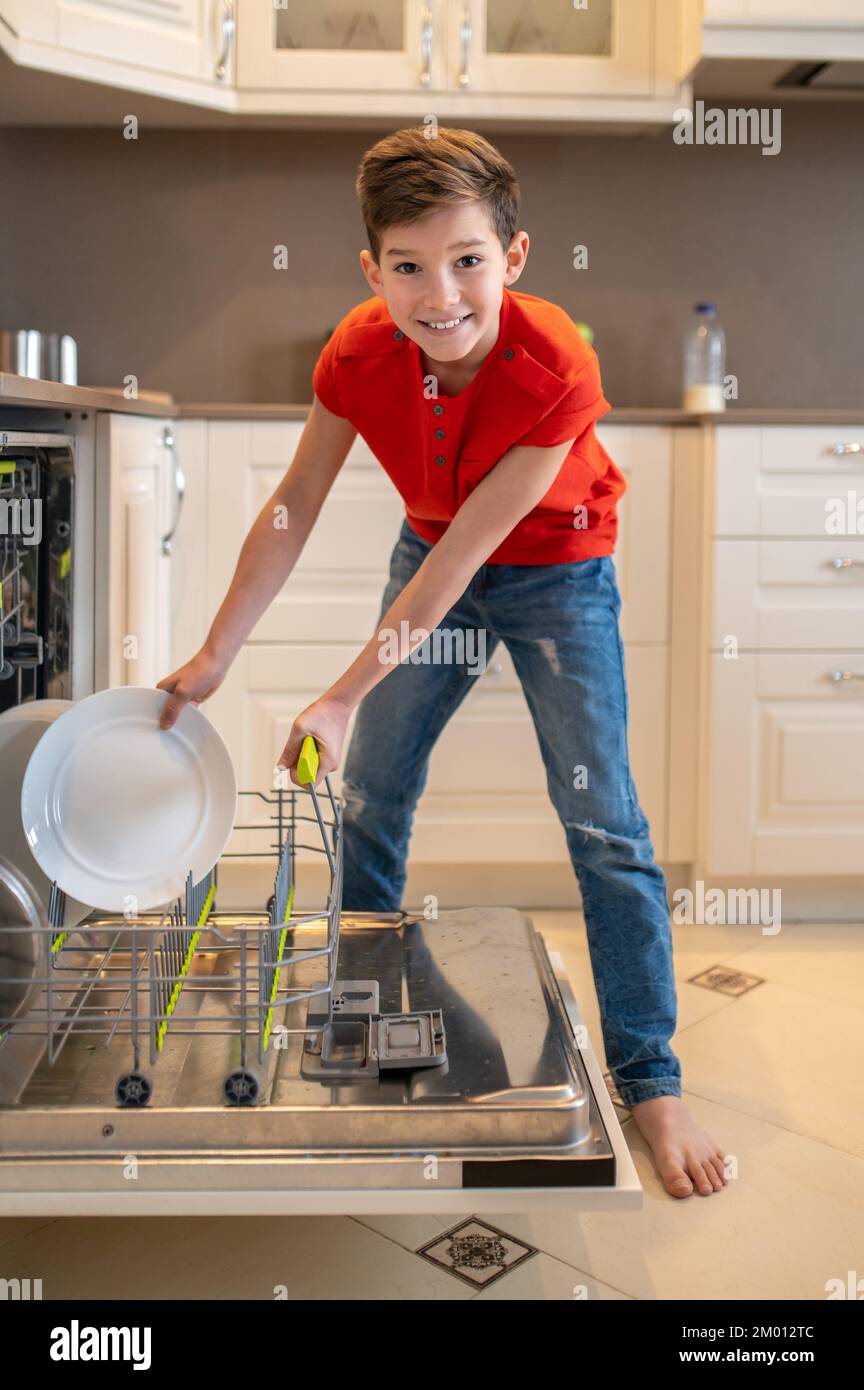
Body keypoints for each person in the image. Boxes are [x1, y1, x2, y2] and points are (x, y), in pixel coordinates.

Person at [157, 126, 727, 1200]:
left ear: (514, 256)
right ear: (373, 272)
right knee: (372, 798)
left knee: (604, 823)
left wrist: (340, 694)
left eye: (468, 260)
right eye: (409, 267)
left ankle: (651, 1079)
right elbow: (294, 504)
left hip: (557, 568)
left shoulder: (556, 364)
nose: (442, 294)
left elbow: (469, 556)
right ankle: (360, 1021)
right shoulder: (356, 352)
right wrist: (214, 652)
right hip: (432, 548)